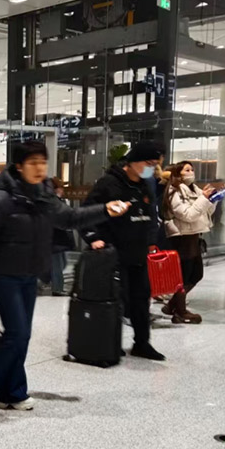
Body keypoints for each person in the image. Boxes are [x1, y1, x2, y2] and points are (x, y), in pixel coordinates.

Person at [0, 142, 128, 411]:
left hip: (30, 274)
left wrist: (104, 210)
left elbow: (70, 218)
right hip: (4, 275)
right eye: (33, 162)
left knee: (22, 336)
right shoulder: (1, 200)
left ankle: (11, 393)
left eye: (43, 162)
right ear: (19, 166)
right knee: (16, 333)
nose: (40, 168)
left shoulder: (44, 198)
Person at [83, 140, 167, 361]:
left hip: (138, 253)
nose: (152, 168)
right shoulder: (109, 184)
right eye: (149, 163)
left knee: (141, 300)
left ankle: (142, 343)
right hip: (113, 253)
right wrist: (94, 238)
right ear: (133, 161)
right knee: (116, 301)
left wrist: (151, 241)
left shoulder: (145, 185)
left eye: (155, 164)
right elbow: (87, 212)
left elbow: (151, 216)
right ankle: (111, 343)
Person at [160, 161, 216, 324]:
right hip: (181, 236)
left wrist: (212, 199)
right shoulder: (174, 191)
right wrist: (203, 199)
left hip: (193, 235)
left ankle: (173, 305)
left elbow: (205, 211)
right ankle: (180, 311)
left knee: (196, 273)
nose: (191, 172)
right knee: (185, 275)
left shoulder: (194, 189)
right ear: (178, 173)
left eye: (192, 169)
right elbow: (187, 215)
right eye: (187, 170)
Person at [50, 177, 75, 296]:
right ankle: (57, 288)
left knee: (61, 264)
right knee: (57, 265)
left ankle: (56, 286)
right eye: (61, 187)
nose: (63, 190)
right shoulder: (54, 202)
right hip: (54, 239)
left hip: (58, 239)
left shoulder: (58, 201)